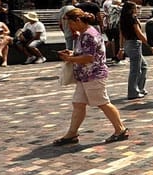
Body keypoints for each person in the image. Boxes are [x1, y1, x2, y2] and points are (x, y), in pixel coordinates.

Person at [53, 8, 129, 146]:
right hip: (85, 76)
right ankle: (72, 133)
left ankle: (120, 129)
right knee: (78, 103)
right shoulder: (84, 33)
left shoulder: (88, 35)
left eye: (71, 23)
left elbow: (89, 57)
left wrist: (70, 59)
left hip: (93, 75)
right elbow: (85, 53)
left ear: (78, 20)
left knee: (103, 103)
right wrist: (72, 53)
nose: (70, 27)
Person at [117, 2, 153, 100]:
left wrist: (121, 48)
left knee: (143, 66)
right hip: (134, 44)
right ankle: (133, 92)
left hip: (128, 44)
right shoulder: (132, 19)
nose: (137, 10)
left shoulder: (122, 19)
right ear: (131, 9)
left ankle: (140, 88)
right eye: (135, 8)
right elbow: (139, 33)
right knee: (135, 70)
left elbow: (121, 35)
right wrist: (149, 45)